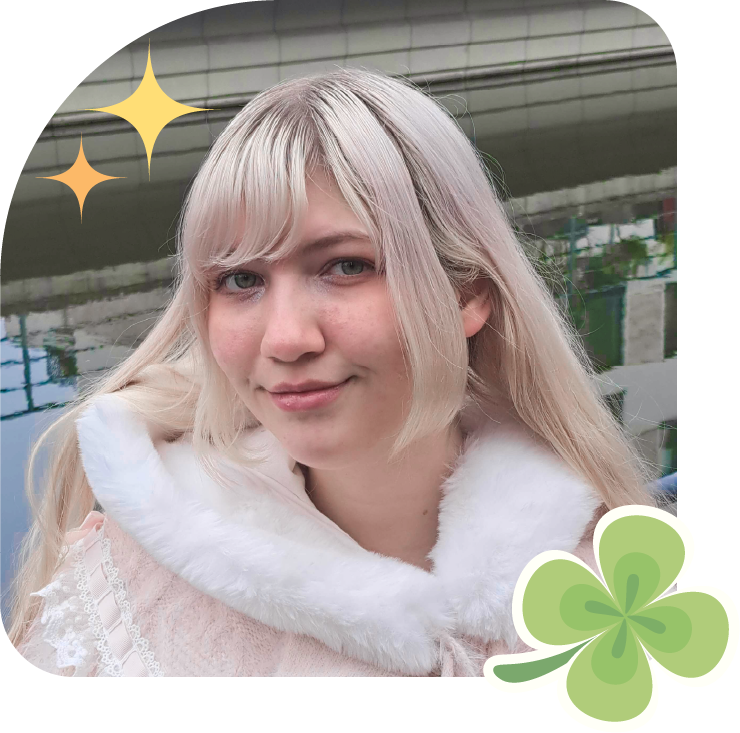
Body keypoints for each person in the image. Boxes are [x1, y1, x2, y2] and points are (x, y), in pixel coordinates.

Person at [6, 66, 659, 677]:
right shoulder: (123, 594)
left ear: (467, 295)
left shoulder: (627, 587)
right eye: (240, 279)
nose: (287, 339)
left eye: (346, 266)